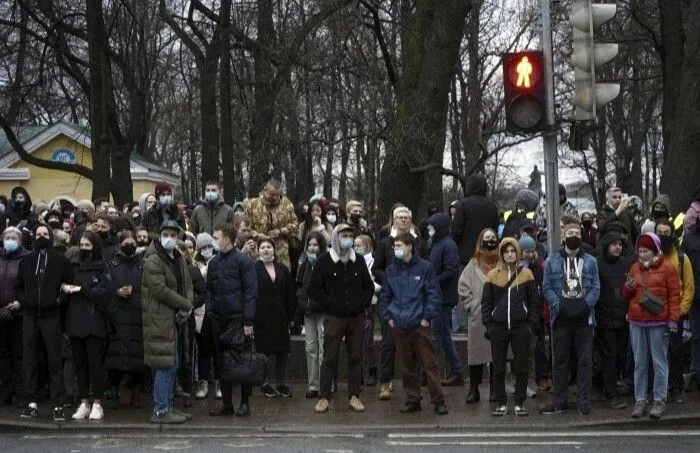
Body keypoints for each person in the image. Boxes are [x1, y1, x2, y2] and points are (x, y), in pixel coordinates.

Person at [379, 232, 449, 415]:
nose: (395, 250)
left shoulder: (424, 268)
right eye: (394, 246)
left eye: (399, 246)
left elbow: (434, 294)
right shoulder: (391, 271)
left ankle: (438, 400)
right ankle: (413, 398)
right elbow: (385, 296)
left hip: (419, 324)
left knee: (429, 363)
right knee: (407, 366)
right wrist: (389, 318)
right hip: (400, 325)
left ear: (410, 246)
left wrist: (426, 318)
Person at [308, 224, 374, 413]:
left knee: (355, 357)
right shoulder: (324, 262)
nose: (348, 239)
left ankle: (354, 396)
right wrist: (328, 303)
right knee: (329, 358)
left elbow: (368, 286)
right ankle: (324, 397)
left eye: (350, 236)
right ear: (336, 237)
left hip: (356, 317)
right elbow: (313, 289)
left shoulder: (358, 261)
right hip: (334, 317)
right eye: (344, 235)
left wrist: (362, 302)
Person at [540, 221, 600, 415]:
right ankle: (559, 400)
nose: (573, 235)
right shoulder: (553, 261)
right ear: (563, 237)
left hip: (584, 318)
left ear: (581, 237)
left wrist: (585, 305)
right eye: (569, 232)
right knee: (560, 361)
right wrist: (559, 305)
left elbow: (596, 288)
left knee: (584, 361)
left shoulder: (591, 261)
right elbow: (546, 287)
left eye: (577, 232)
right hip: (561, 318)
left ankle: (583, 401)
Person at [15, 225, 72, 421]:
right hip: (30, 315)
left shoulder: (60, 260)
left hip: (51, 315)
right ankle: (31, 402)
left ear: (50, 236)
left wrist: (58, 301)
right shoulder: (26, 262)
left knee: (54, 360)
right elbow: (18, 287)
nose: (41, 236)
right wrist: (26, 300)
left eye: (45, 234)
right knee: (29, 359)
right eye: (38, 234)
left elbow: (68, 284)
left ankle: (58, 404)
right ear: (33, 236)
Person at [624, 233, 681, 419]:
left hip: (658, 321)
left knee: (659, 361)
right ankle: (640, 400)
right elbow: (626, 296)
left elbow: (674, 296)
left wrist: (673, 319)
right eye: (640, 251)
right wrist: (628, 288)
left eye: (646, 251)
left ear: (655, 249)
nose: (642, 255)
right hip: (637, 321)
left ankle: (659, 400)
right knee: (639, 363)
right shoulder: (634, 268)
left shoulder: (668, 268)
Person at [142, 220, 194, 424]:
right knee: (166, 365)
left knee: (173, 363)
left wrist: (186, 305)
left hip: (175, 318)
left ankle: (167, 406)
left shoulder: (178, 257)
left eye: (174, 235)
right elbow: (160, 290)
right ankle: (161, 410)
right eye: (166, 234)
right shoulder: (152, 259)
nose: (170, 238)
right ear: (160, 235)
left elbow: (187, 283)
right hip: (159, 319)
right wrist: (185, 305)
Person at [481, 238, 539, 416]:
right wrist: (489, 324)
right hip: (498, 327)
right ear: (501, 254)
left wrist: (530, 324)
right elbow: (486, 303)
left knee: (521, 367)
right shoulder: (492, 275)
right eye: (506, 251)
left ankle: (520, 402)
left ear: (517, 252)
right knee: (498, 367)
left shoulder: (526, 274)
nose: (509, 254)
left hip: (520, 327)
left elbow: (534, 302)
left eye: (512, 251)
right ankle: (501, 402)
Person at [207, 223, 257, 417]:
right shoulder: (214, 262)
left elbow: (251, 293)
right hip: (218, 319)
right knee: (221, 362)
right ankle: (227, 403)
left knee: (242, 361)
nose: (214, 240)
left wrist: (248, 321)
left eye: (216, 237)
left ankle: (245, 402)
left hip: (238, 319)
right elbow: (209, 290)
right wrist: (211, 310)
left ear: (227, 238)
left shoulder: (243, 261)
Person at [372, 206, 423, 400]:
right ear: (393, 220)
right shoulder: (385, 243)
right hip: (391, 300)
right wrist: (390, 279)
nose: (402, 220)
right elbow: (376, 269)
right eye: (399, 217)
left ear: (410, 221)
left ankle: (413, 383)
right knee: (388, 343)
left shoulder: (419, 243)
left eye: (406, 218)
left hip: (413, 300)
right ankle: (385, 382)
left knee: (414, 344)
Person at [63, 231, 112, 421]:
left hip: (94, 321)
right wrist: (65, 289)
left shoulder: (103, 267)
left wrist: (83, 290)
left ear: (95, 247)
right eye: (82, 245)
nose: (84, 249)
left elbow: (105, 292)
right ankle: (83, 402)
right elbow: (65, 285)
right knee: (80, 364)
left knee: (95, 364)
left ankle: (97, 403)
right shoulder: (74, 267)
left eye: (88, 245)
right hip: (75, 320)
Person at [105, 231, 146, 410]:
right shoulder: (111, 265)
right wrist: (116, 293)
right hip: (117, 317)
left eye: (132, 242)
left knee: (138, 359)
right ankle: (114, 394)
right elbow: (105, 289)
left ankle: (136, 395)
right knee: (114, 359)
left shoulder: (143, 265)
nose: (129, 245)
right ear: (120, 244)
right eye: (126, 242)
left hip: (138, 316)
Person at [595, 231, 635, 410]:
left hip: (623, 317)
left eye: (620, 244)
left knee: (620, 356)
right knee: (609, 356)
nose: (617, 247)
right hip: (604, 318)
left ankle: (613, 387)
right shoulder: (598, 264)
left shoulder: (627, 264)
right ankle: (611, 394)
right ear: (607, 246)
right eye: (614, 244)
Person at [655, 220, 694, 403]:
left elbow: (689, 288)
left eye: (666, 232)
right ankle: (658, 390)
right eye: (659, 232)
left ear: (672, 234)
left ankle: (676, 388)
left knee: (675, 352)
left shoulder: (681, 257)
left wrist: (681, 311)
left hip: (674, 313)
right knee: (656, 354)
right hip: (653, 313)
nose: (663, 235)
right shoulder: (650, 256)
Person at [459, 228, 499, 403]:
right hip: (478, 317)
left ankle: (494, 390)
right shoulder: (473, 264)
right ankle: (474, 389)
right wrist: (472, 305)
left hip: (497, 317)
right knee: (476, 356)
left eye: (493, 238)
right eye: (487, 238)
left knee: (496, 355)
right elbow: (463, 287)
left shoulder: (502, 262)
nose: (490, 241)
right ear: (480, 241)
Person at [254, 238, 296, 398]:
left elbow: (289, 293)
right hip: (262, 316)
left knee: (283, 351)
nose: (266, 250)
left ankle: (281, 383)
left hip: (280, 316)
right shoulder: (253, 268)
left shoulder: (282, 268)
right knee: (263, 352)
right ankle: (263, 383)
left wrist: (291, 316)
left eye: (269, 247)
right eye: (262, 247)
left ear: (274, 249)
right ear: (258, 251)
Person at [425, 212, 464, 386]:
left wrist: (432, 280)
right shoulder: (438, 243)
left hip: (443, 297)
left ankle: (432, 373)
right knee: (443, 335)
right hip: (438, 295)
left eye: (432, 226)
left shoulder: (448, 245)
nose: (429, 230)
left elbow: (451, 270)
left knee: (437, 335)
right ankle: (456, 369)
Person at [0, 227, 30, 407]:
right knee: (2, 355)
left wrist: (21, 302)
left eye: (14, 237)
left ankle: (20, 392)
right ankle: (5, 392)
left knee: (20, 354)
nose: (10, 240)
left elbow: (30, 285)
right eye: (7, 237)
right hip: (1, 314)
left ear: (19, 241)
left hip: (19, 314)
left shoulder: (26, 258)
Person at [296, 231, 328, 398]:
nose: (312, 248)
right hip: (308, 312)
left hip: (322, 311)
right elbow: (299, 286)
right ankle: (313, 384)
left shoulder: (327, 263)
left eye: (315, 245)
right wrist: (301, 301)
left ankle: (325, 383)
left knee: (323, 348)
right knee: (310, 348)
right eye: (309, 245)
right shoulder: (304, 265)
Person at [244, 178, 299, 268]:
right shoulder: (252, 204)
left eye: (278, 195)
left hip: (281, 252)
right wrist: (260, 236)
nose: (276, 198)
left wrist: (281, 231)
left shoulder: (286, 204)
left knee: (282, 278)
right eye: (273, 195)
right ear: (265, 189)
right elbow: (247, 229)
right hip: (259, 250)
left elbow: (295, 225)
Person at [451, 175, 500, 266]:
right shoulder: (492, 206)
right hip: (487, 254)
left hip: (466, 256)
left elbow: (456, 231)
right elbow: (495, 230)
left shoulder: (463, 205)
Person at [354, 234, 381, 387]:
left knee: (368, 339)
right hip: (355, 305)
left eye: (359, 245)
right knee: (356, 340)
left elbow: (378, 284)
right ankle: (359, 372)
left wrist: (367, 287)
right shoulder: (352, 261)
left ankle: (372, 369)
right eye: (355, 245)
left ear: (367, 245)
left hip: (369, 304)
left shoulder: (374, 262)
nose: (356, 248)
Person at [193, 233, 217, 400]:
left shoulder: (219, 260)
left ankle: (219, 383)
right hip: (201, 312)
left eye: (209, 246)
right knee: (203, 350)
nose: (207, 250)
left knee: (218, 350)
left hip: (217, 310)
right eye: (203, 247)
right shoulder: (196, 265)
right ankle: (202, 383)